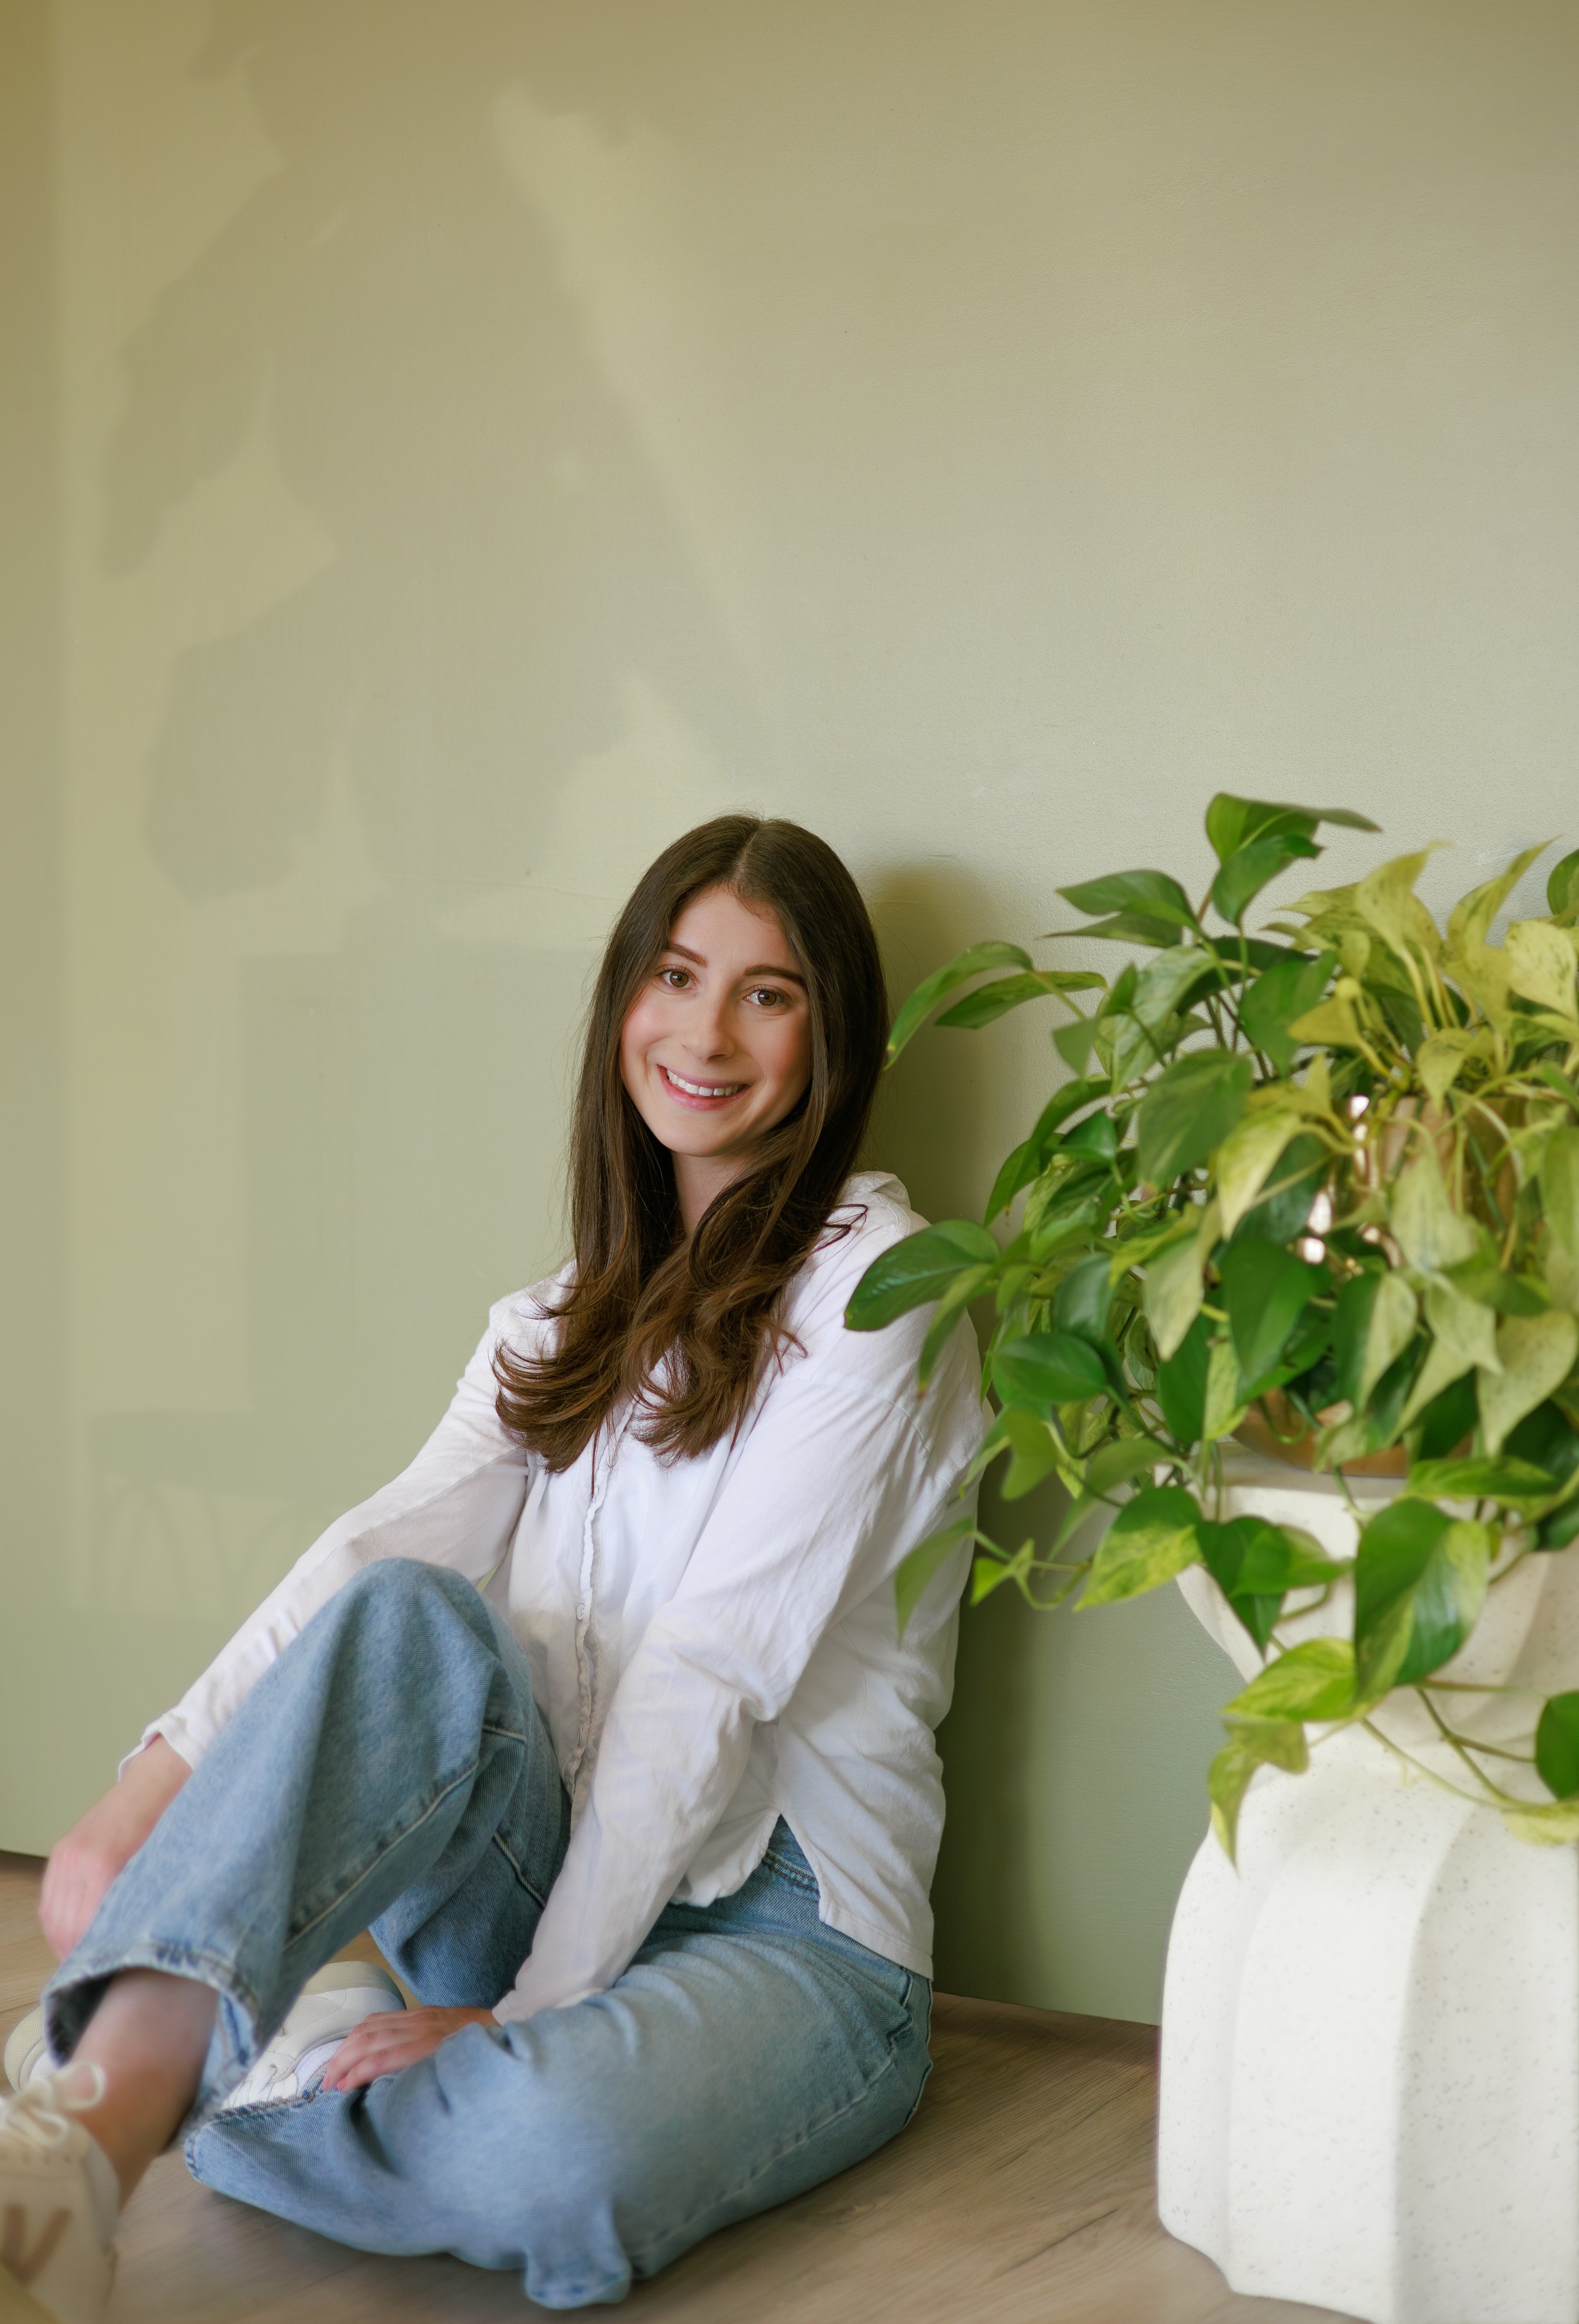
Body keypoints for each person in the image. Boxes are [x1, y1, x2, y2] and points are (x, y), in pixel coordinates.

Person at [0, 814, 984, 2319]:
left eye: (766, 993)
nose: (704, 1033)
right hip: (551, 1867)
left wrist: (523, 2016)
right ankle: (94, 2125)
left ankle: (264, 2049)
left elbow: (707, 1671)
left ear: (831, 1038)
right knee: (410, 1609)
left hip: (793, 1932)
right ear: (621, 1007)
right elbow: (375, 1556)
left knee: (551, 2147)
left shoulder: (880, 1292)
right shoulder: (552, 1319)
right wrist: (144, 1791)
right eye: (674, 974)